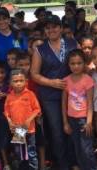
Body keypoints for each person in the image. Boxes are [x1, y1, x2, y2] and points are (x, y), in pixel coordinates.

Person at [31, 15, 77, 170]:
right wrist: (51, 83)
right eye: (48, 27)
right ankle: (63, 164)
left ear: (61, 28)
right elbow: (34, 74)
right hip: (50, 97)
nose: (51, 30)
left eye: (54, 26)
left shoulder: (72, 43)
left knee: (73, 128)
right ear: (45, 30)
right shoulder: (40, 49)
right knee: (57, 131)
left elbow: (80, 65)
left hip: (72, 95)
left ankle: (74, 162)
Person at [62, 49, 97, 170]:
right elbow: (64, 103)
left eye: (79, 63)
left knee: (86, 149)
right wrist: (65, 122)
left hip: (84, 120)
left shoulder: (88, 80)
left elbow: (90, 102)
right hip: (71, 120)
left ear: (84, 63)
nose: (76, 66)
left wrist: (89, 121)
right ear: (68, 64)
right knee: (77, 148)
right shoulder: (65, 80)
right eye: (73, 63)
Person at [4, 69, 41, 170]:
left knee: (31, 152)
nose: (18, 83)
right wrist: (9, 122)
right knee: (18, 153)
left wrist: (29, 120)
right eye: (15, 81)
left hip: (29, 130)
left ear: (26, 81)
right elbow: (6, 112)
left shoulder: (30, 94)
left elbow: (37, 109)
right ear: (10, 83)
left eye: (21, 80)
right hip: (18, 130)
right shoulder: (9, 97)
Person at [16, 52, 47, 170]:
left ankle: (42, 165)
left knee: (40, 140)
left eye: (27, 64)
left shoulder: (35, 79)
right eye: (21, 64)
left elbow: (39, 97)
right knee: (20, 141)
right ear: (16, 65)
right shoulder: (15, 80)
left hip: (35, 116)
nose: (24, 67)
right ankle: (24, 165)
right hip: (19, 118)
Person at [0, 7, 28, 76]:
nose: (2, 22)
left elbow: (26, 56)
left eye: (4, 18)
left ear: (9, 19)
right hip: (2, 76)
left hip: (19, 77)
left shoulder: (19, 35)